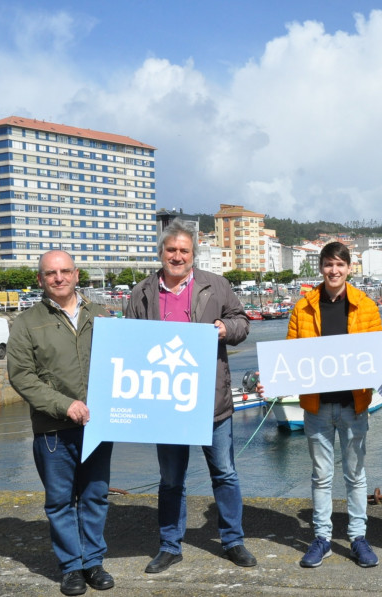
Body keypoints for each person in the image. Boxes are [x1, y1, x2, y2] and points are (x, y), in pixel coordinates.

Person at [125, 219, 257, 573]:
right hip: (164, 403)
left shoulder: (216, 285)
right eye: (171, 250)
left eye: (184, 250)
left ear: (193, 254)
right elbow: (129, 345)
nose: (177, 256)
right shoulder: (142, 292)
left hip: (211, 401)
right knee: (170, 480)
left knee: (225, 474)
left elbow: (242, 322)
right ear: (162, 253)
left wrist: (226, 328)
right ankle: (170, 545)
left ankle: (233, 541)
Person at [7, 250, 116, 596]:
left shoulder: (101, 315)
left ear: (76, 274)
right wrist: (64, 405)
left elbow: (125, 360)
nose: (59, 278)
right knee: (59, 501)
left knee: (96, 496)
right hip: (54, 429)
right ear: (40, 279)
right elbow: (21, 377)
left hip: (97, 426)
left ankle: (94, 562)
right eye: (51, 273)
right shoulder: (26, 323)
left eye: (65, 271)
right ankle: (71, 566)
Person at [283, 241, 382, 568]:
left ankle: (358, 537)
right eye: (329, 264)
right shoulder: (302, 308)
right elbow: (289, 357)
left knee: (356, 475)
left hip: (354, 405)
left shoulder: (366, 306)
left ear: (349, 268)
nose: (334, 270)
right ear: (321, 268)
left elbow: (380, 348)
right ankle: (322, 538)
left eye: (340, 265)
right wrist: (271, 380)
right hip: (316, 407)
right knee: (321, 476)